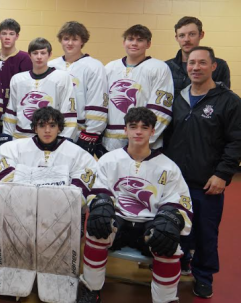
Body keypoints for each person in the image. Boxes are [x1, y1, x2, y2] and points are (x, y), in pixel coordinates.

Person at [78, 107, 192, 303]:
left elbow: (179, 201)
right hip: (119, 223)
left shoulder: (168, 167)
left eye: (144, 127)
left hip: (150, 225)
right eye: (133, 127)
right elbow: (97, 190)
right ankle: (90, 289)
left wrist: (170, 220)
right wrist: (101, 205)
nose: (138, 131)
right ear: (125, 130)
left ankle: (166, 300)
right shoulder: (108, 160)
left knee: (168, 241)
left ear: (152, 132)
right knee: (97, 227)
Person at [164, 46, 241, 299]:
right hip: (176, 182)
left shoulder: (228, 101)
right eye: (191, 63)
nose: (195, 67)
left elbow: (236, 141)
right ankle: (179, 265)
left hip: (207, 182)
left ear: (213, 66)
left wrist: (223, 174)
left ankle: (204, 276)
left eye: (202, 63)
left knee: (206, 232)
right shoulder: (177, 98)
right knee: (174, 227)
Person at [101, 24, 174, 155]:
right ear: (124, 42)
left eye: (140, 40)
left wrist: (144, 138)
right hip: (110, 143)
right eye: (130, 39)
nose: (134, 43)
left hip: (145, 144)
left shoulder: (159, 68)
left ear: (148, 44)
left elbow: (161, 108)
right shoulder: (110, 68)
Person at [48, 21, 108, 154]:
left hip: (79, 132)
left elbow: (97, 99)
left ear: (82, 41)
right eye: (66, 39)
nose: (69, 43)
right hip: (51, 130)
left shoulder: (94, 66)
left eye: (75, 39)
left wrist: (91, 133)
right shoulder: (51, 65)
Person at [2, 38, 76, 140]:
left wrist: (65, 137)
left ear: (49, 55)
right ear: (29, 55)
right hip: (21, 138)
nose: (39, 57)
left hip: (49, 138)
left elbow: (68, 110)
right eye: (35, 53)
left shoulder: (62, 78)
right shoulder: (17, 79)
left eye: (43, 53)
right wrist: (7, 135)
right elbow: (12, 111)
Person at [0, 18, 33, 131]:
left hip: (14, 115)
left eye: (11, 34)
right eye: (4, 33)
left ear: (17, 36)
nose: (7, 37)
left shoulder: (25, 59)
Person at [166, 16, 230, 97]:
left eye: (192, 34)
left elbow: (224, 99)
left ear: (201, 35)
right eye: (182, 35)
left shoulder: (219, 66)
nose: (186, 39)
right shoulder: (166, 67)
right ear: (176, 38)